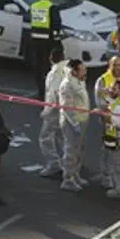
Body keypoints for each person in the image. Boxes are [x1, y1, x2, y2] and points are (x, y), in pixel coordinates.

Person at [92, 56, 120, 189]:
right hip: (108, 120)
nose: (117, 67)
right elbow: (99, 101)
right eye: (114, 64)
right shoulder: (103, 80)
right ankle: (106, 175)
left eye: (119, 65)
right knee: (108, 147)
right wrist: (109, 113)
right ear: (110, 65)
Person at [59, 59, 91, 192]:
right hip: (71, 123)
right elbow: (67, 106)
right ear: (74, 71)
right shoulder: (67, 85)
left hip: (82, 120)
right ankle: (67, 179)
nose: (85, 72)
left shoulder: (80, 81)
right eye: (82, 70)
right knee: (70, 151)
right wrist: (75, 123)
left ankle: (75, 174)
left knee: (79, 150)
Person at [29, 0, 63, 100]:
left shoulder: (34, 6)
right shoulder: (52, 7)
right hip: (48, 42)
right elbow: (56, 26)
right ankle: (49, 92)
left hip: (35, 41)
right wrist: (58, 42)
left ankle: (41, 91)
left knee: (38, 67)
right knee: (48, 68)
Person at [39, 49, 68, 177]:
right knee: (62, 137)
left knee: (45, 137)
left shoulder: (55, 73)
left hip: (55, 110)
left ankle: (54, 164)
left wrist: (46, 112)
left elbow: (53, 94)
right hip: (68, 110)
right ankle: (70, 161)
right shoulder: (69, 70)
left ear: (51, 59)